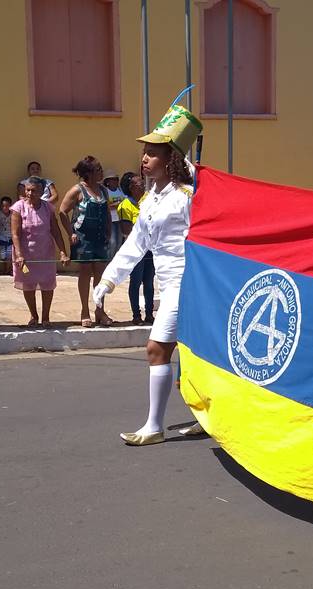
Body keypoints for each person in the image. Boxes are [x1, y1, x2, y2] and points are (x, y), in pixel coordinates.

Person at [93, 100, 203, 446]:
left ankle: (154, 427)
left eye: (152, 153)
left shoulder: (187, 196)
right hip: (166, 283)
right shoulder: (151, 199)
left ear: (170, 159)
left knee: (157, 349)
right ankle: (208, 417)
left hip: (188, 284)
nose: (144, 158)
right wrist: (109, 279)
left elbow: (205, 238)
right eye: (144, 152)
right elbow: (136, 244)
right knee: (194, 355)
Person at [60, 156, 114, 328]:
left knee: (100, 274)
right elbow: (62, 212)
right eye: (98, 169)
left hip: (100, 237)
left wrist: (109, 230)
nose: (101, 172)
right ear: (89, 173)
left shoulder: (103, 190)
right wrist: (71, 233)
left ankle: (100, 310)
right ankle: (85, 310)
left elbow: (107, 213)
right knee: (85, 272)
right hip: (83, 238)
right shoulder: (77, 190)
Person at [11, 176, 68, 327]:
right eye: (28, 190)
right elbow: (15, 234)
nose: (30, 193)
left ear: (42, 192)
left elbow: (56, 231)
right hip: (25, 255)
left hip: (45, 253)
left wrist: (63, 252)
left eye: (34, 190)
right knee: (28, 284)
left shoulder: (48, 208)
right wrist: (19, 255)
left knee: (47, 284)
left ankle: (46, 317)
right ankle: (33, 315)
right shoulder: (18, 207)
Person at [116, 172, 154, 324]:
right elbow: (126, 230)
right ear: (131, 187)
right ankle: (136, 315)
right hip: (136, 250)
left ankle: (149, 313)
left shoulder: (148, 201)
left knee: (149, 282)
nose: (143, 185)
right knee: (136, 281)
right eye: (139, 183)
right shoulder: (125, 206)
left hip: (150, 249)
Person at [104, 169, 127, 255]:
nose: (115, 181)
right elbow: (105, 206)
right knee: (112, 242)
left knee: (119, 242)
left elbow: (125, 201)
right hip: (111, 220)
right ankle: (110, 260)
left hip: (120, 219)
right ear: (107, 182)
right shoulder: (106, 192)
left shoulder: (120, 190)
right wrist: (116, 205)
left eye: (116, 179)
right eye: (113, 179)